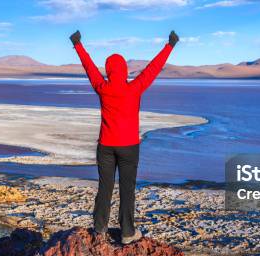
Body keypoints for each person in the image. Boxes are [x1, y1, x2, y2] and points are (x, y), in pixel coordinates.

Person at [69, 30, 179, 244]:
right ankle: (128, 232)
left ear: (109, 71)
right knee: (127, 190)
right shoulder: (135, 88)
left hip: (106, 146)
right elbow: (152, 69)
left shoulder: (102, 88)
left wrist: (78, 45)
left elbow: (89, 67)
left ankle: (100, 229)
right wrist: (169, 46)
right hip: (129, 147)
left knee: (105, 187)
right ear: (125, 70)